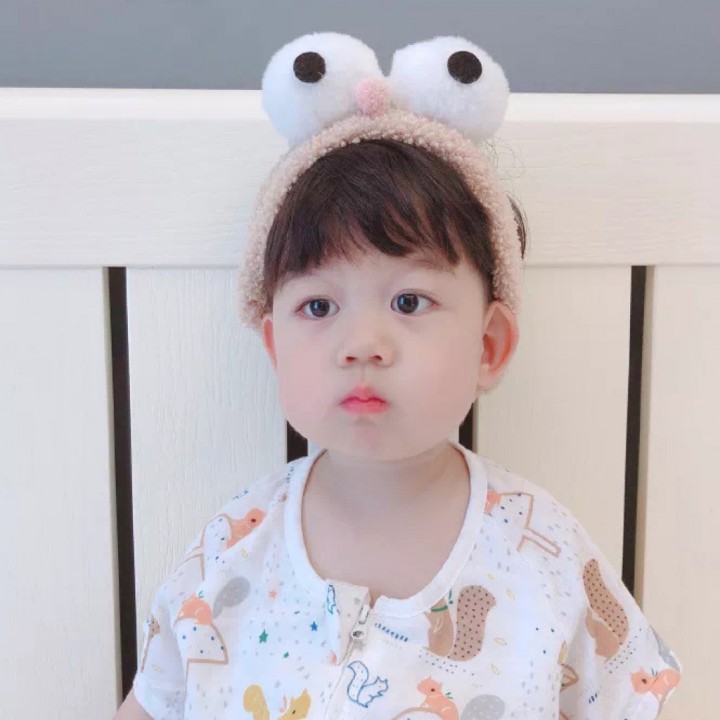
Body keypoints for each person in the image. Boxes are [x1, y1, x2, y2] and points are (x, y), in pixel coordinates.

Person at [114, 32, 682, 720]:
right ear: (274, 346)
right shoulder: (234, 549)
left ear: (489, 345)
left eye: (409, 302)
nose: (363, 344)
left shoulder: (544, 556)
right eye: (318, 307)